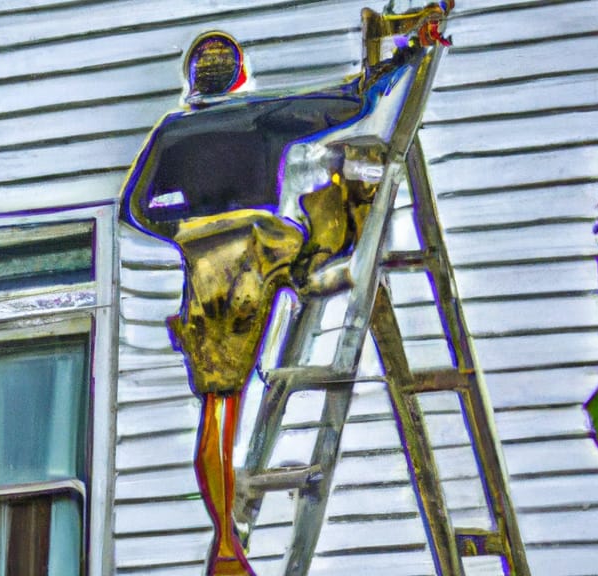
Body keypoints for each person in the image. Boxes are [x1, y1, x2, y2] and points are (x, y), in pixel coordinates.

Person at [120, 5, 451, 574]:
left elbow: (134, 208)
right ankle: (226, 547)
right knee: (340, 203)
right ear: (238, 75)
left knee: (217, 408)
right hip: (254, 256)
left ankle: (225, 537)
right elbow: (351, 102)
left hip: (202, 271)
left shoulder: (173, 130)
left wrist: (180, 231)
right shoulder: (261, 115)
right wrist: (401, 61)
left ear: (191, 81)